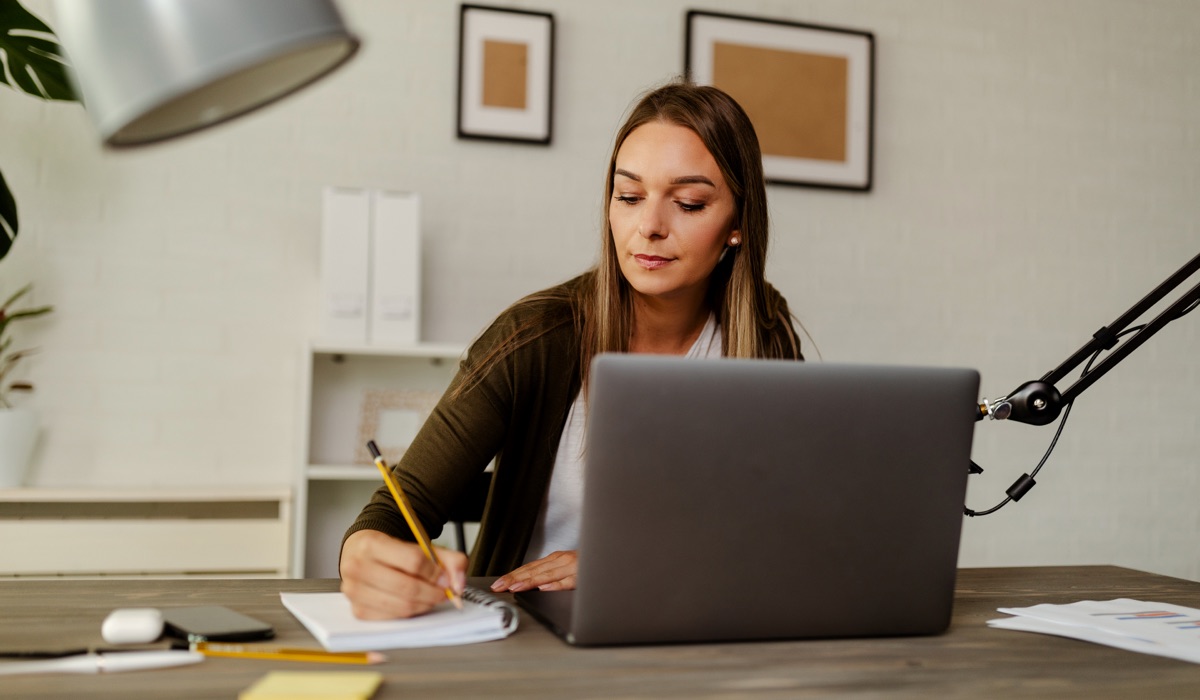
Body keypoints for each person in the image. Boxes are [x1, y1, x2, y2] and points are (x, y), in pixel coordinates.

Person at [339, 79, 803, 620]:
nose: (648, 226)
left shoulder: (762, 332)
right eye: (628, 197)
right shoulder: (533, 338)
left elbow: (779, 523)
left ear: (738, 225)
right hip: (531, 631)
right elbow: (394, 513)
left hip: (695, 622)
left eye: (689, 203)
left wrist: (629, 562)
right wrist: (363, 558)